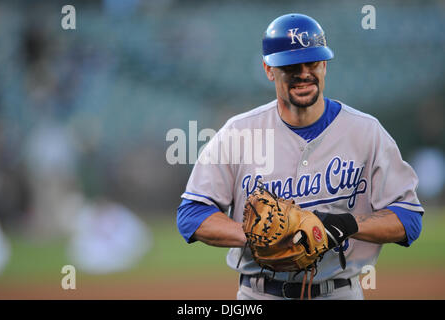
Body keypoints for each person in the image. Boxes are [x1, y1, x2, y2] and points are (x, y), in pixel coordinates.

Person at [176, 13, 423, 300]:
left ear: (325, 65)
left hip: (339, 292)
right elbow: (192, 215)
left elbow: (408, 219)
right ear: (269, 69)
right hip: (260, 294)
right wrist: (260, 236)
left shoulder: (366, 131)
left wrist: (347, 225)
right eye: (291, 65)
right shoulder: (238, 132)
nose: (304, 72)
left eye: (313, 62)